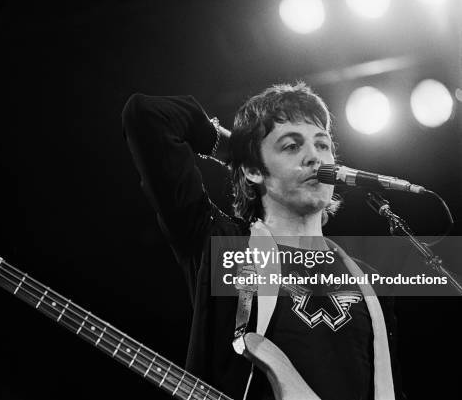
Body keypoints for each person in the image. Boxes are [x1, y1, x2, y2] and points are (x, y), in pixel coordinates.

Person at [122, 83, 404, 400]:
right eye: (291, 147)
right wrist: (236, 151)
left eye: (322, 145)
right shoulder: (223, 247)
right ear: (255, 170)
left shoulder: (369, 280)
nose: (314, 157)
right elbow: (148, 115)